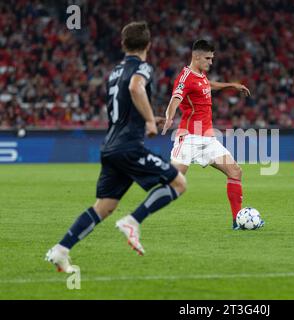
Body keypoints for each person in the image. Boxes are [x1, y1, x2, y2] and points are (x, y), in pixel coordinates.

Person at [45, 21, 186, 273]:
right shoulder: (142, 67)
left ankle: (61, 249)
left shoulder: (114, 72)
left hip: (110, 147)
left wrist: (149, 118)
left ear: (123, 44)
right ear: (148, 45)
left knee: (104, 206)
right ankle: (133, 221)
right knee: (179, 183)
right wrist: (148, 122)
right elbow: (135, 87)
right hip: (129, 147)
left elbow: (122, 108)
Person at [162, 39, 263, 230]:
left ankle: (237, 222)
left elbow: (208, 85)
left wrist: (232, 85)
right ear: (196, 57)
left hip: (208, 139)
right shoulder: (185, 77)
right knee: (174, 182)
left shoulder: (201, 76)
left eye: (212, 58)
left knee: (235, 171)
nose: (211, 62)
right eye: (208, 58)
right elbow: (175, 98)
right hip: (190, 137)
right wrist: (169, 117)